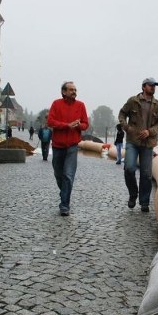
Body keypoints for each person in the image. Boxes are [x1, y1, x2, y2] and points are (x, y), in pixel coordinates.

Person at [118, 77, 158, 212]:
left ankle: (144, 202)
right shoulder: (133, 101)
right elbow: (122, 114)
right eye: (151, 85)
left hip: (148, 143)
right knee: (129, 168)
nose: (153, 87)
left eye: (154, 85)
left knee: (146, 174)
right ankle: (133, 194)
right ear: (143, 87)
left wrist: (150, 132)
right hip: (133, 141)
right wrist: (126, 127)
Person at [47, 81, 89, 216]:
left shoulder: (80, 105)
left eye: (75, 90)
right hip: (58, 145)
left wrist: (78, 125)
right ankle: (64, 192)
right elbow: (50, 122)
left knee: (68, 175)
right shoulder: (56, 104)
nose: (74, 92)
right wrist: (66, 125)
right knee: (58, 175)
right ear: (64, 92)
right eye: (71, 90)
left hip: (72, 145)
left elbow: (85, 124)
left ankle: (64, 205)